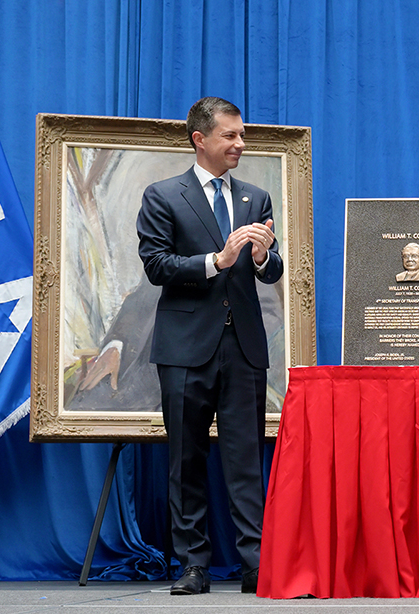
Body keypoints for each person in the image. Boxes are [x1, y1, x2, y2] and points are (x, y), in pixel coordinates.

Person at [136, 96, 284, 596]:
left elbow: (274, 269)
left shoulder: (255, 198)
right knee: (185, 458)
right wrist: (215, 261)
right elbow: (156, 265)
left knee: (245, 458)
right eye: (231, 136)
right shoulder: (163, 195)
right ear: (200, 139)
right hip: (183, 348)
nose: (241, 144)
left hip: (243, 347)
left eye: (242, 135)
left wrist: (263, 258)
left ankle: (255, 564)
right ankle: (193, 565)